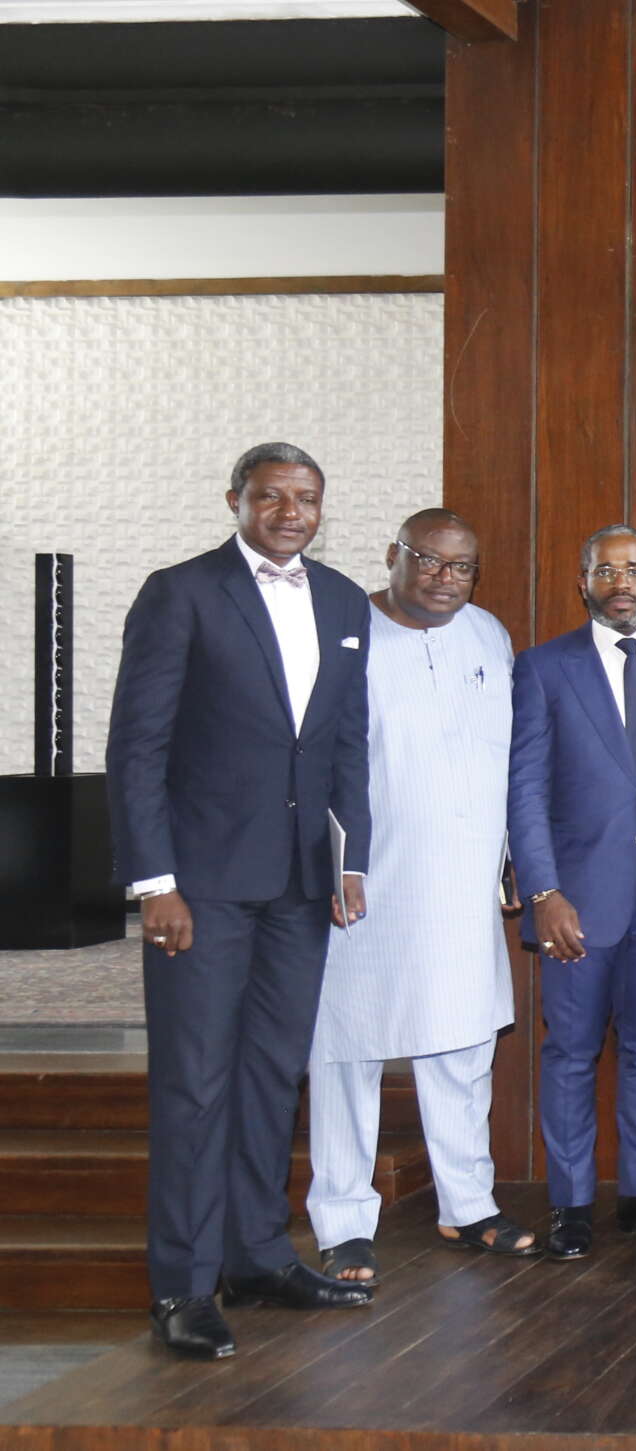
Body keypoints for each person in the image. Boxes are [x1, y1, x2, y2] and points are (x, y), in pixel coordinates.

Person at [107, 443, 376, 1358]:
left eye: (306, 498)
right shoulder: (180, 592)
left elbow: (344, 741)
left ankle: (258, 1254)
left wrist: (352, 860)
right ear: (237, 501)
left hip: (302, 886)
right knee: (194, 1085)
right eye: (272, 496)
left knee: (271, 1075)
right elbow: (137, 747)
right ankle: (182, 1286)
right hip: (202, 890)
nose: (290, 511)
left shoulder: (342, 601)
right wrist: (155, 883)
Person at [305, 511, 523, 1275]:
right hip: (365, 877)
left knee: (463, 1042)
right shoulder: (345, 632)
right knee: (345, 1048)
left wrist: (508, 859)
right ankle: (342, 1219)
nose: (443, 577)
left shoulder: (488, 636)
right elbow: (316, 760)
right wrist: (337, 862)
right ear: (392, 555)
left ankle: (469, 1206)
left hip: (464, 879)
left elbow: (502, 758)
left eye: (461, 566)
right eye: (427, 560)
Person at [507, 524, 636, 1260]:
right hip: (577, 901)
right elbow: (524, 788)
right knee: (571, 1052)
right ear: (582, 580)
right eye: (605, 569)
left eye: (635, 569)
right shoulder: (544, 666)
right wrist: (543, 890)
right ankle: (572, 1204)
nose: (621, 581)